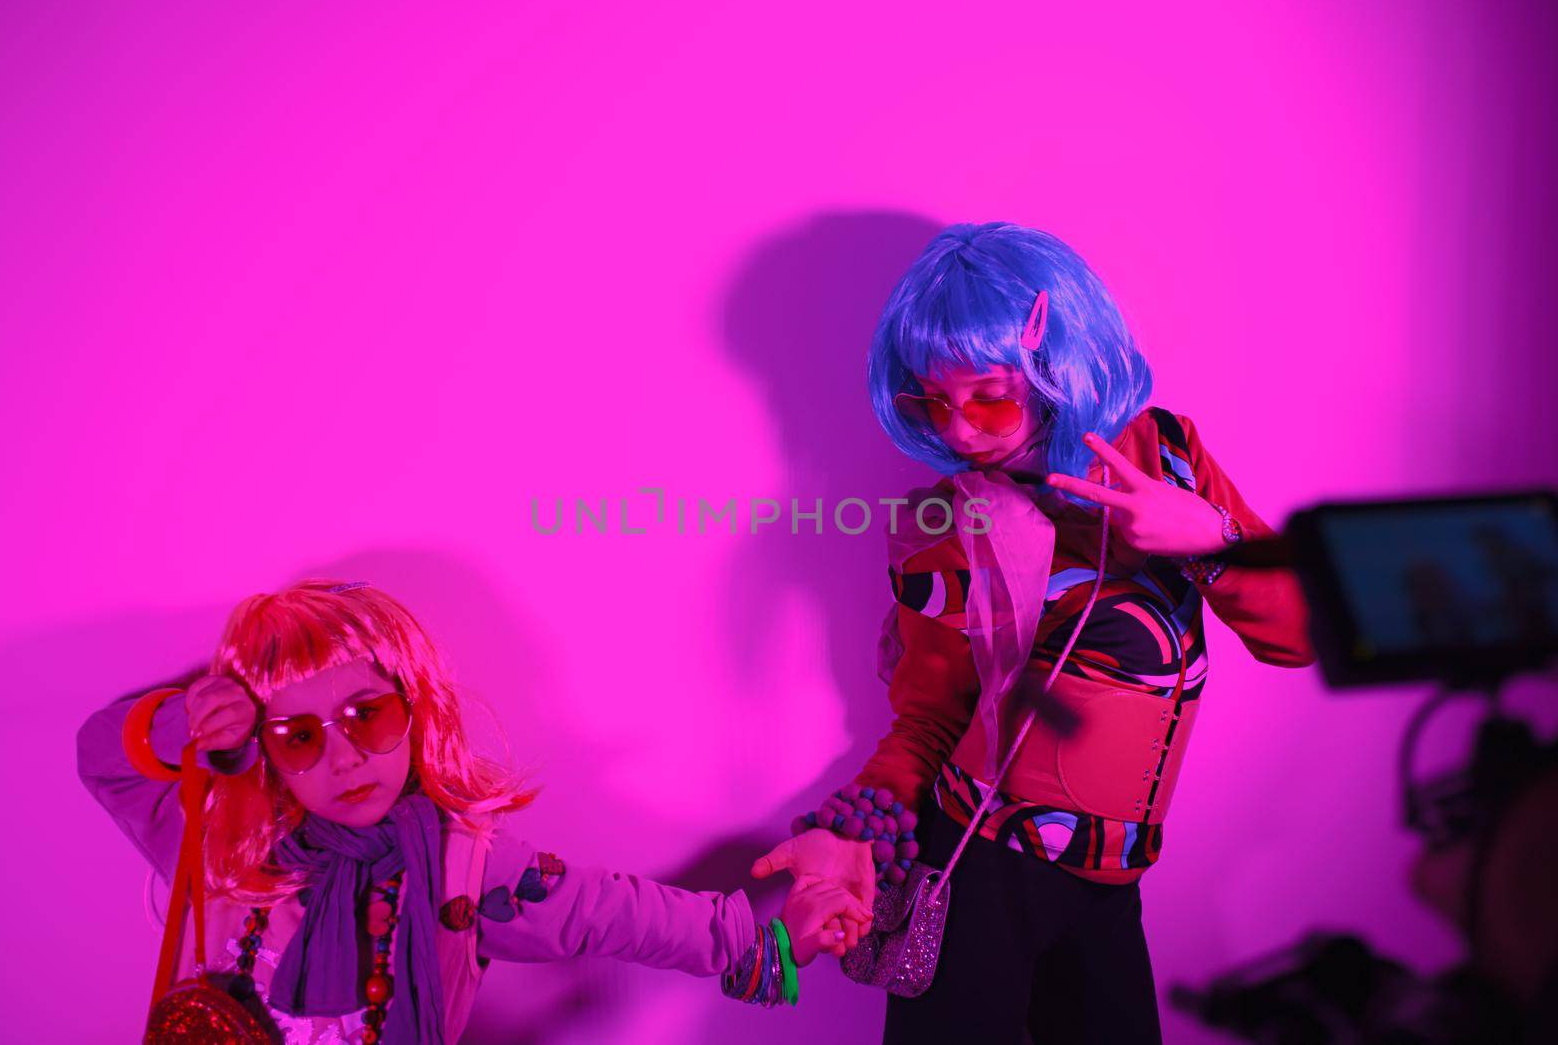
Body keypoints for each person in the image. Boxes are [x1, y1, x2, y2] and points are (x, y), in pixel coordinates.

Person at [751, 222, 1315, 1043]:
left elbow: (1298, 634)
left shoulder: (1169, 457)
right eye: (929, 400)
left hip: (1111, 877)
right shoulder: (937, 524)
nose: (958, 430)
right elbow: (930, 718)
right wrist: (849, 827)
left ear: (1059, 364)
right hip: (979, 866)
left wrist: (1212, 544)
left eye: (987, 395)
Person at [79, 579, 868, 1043]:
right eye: (299, 734)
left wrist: (762, 942)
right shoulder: (233, 838)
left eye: (368, 716)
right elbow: (101, 758)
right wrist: (183, 719)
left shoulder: (463, 864)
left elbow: (610, 912)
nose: (344, 756)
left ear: (414, 710)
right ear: (263, 741)